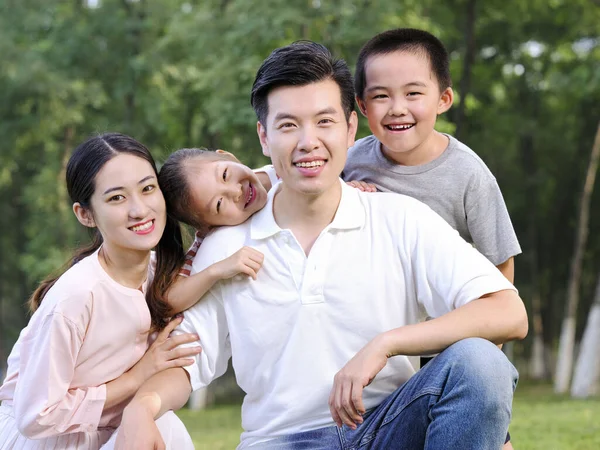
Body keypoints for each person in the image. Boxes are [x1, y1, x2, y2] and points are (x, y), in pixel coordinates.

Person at [115, 42, 528, 450]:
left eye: (324, 122)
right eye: (288, 125)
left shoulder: (400, 218)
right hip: (279, 441)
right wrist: (142, 407)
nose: (308, 141)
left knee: (481, 363)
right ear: (263, 136)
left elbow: (508, 312)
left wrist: (387, 343)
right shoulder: (225, 248)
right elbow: (186, 362)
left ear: (351, 129)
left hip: (390, 427)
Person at [343, 29, 522, 448]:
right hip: (385, 318)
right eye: (381, 96)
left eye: (413, 93)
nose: (397, 108)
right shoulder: (352, 162)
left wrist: (487, 343)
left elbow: (501, 265)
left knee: (484, 425)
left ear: (443, 99)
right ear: (362, 106)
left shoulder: (468, 175)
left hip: (448, 330)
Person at [0, 133, 200, 449]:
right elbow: (34, 416)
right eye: (116, 198)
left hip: (121, 427)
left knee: (164, 427)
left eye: (148, 189)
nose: (139, 209)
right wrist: (137, 376)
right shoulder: (76, 296)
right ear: (85, 214)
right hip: (49, 440)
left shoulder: (162, 272)